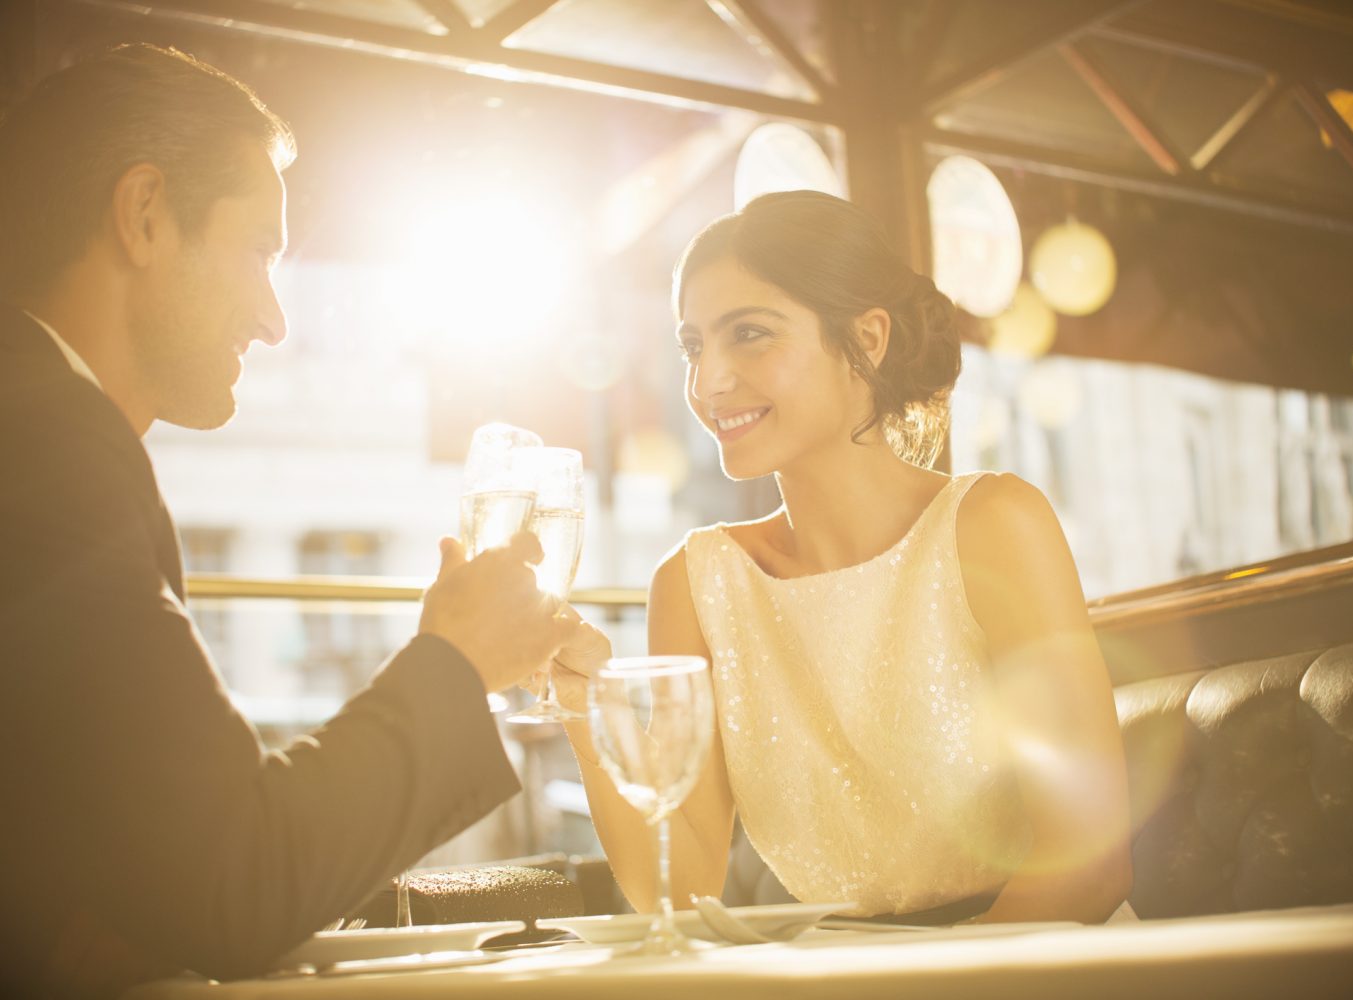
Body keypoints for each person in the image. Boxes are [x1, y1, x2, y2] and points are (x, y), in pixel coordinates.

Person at [0, 44, 591, 998]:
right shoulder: (43, 449)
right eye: (259, 251)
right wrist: (459, 663)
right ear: (145, 214)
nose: (275, 320)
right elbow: (234, 878)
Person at [554, 191, 1132, 925]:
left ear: (869, 337)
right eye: (695, 347)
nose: (709, 382)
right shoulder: (696, 584)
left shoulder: (992, 526)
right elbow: (680, 887)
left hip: (1036, 965)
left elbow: (1089, 863)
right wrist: (581, 702)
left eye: (751, 334)